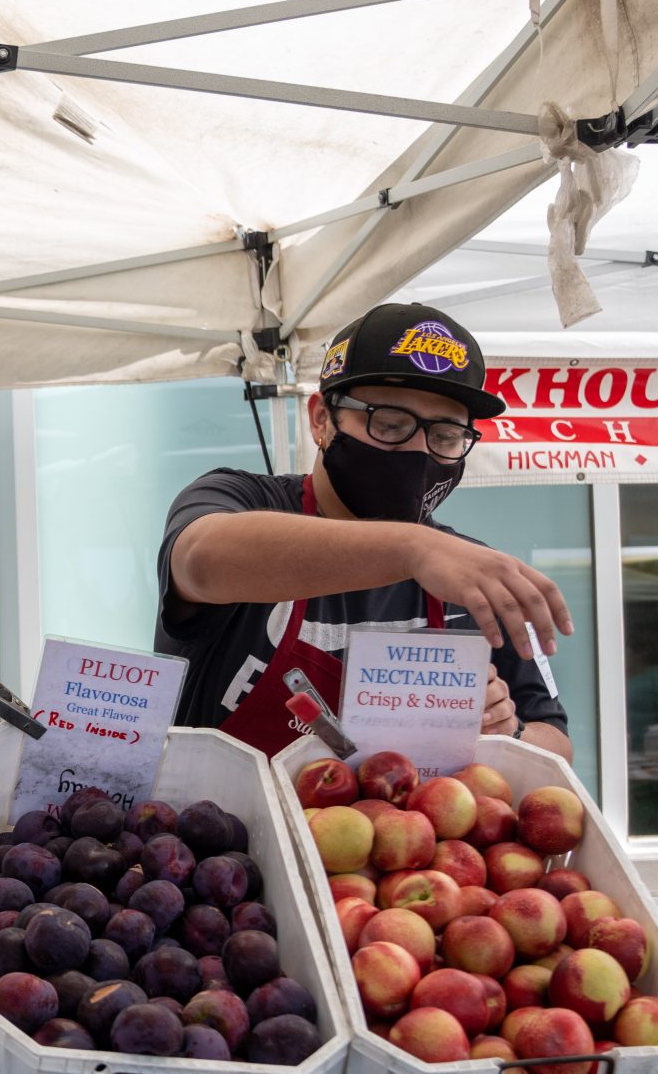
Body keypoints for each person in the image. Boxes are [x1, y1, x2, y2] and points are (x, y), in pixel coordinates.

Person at [157, 301, 575, 759]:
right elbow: (199, 561)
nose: (419, 452)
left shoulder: (472, 574)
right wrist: (414, 548)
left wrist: (507, 732)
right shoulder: (241, 500)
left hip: (408, 825)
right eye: (390, 425)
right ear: (321, 419)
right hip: (229, 827)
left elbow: (555, 745)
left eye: (446, 437)